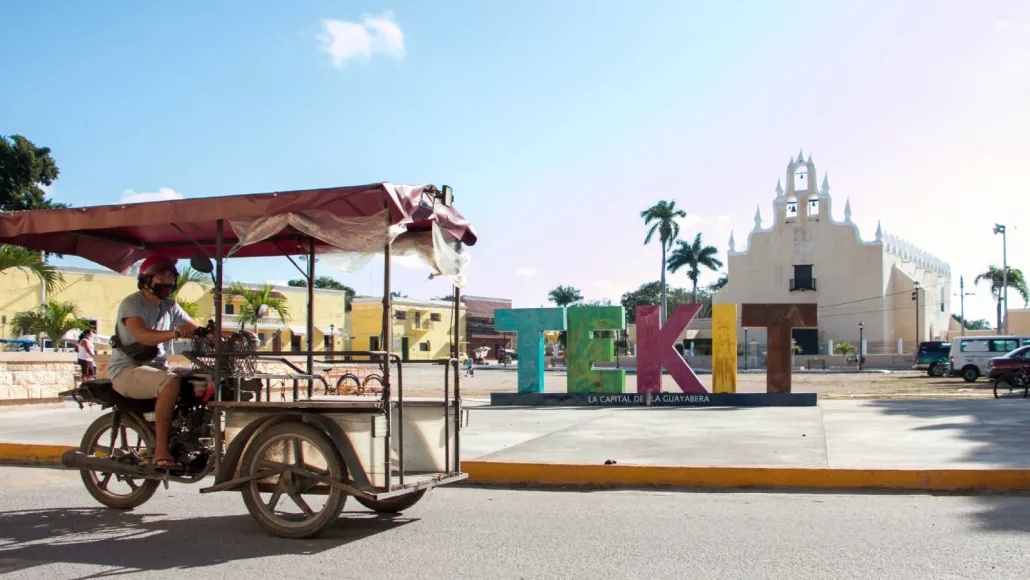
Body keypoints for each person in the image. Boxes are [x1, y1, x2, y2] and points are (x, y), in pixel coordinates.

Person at [108, 255, 203, 469]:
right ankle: (161, 450)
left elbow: (197, 328)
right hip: (127, 370)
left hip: (156, 368)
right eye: (160, 275)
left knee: (200, 378)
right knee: (170, 382)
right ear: (146, 280)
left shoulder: (170, 306)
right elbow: (142, 335)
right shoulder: (133, 304)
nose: (167, 280)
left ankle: (187, 435)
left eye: (170, 275)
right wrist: (174, 332)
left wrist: (226, 334)